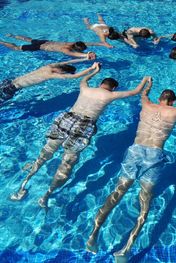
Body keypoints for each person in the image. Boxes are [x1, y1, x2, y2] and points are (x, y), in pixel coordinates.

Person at [85, 78, 176, 260]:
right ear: (172, 101)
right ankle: (125, 250)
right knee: (145, 202)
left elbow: (143, 94)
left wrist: (149, 84)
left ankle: (93, 235)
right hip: (154, 156)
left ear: (159, 98)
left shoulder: (146, 104)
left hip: (135, 151)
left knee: (117, 193)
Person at [10, 63, 151, 208]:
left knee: (47, 150)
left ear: (100, 84)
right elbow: (136, 91)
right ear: (113, 87)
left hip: (67, 118)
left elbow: (84, 79)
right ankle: (46, 195)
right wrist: (146, 80)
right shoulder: (111, 94)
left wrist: (95, 69)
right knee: (68, 161)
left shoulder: (86, 88)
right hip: (85, 125)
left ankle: (24, 183)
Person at [0, 58, 96, 104]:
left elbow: (67, 62)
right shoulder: (51, 74)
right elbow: (76, 76)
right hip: (11, 88)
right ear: (63, 72)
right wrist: (91, 68)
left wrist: (85, 58)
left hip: (8, 82)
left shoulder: (49, 66)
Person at [0, 34, 97, 58]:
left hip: (45, 42)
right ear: (76, 49)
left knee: (29, 39)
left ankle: (12, 35)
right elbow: (75, 55)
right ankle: (2, 42)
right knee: (17, 48)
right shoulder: (65, 49)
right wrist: (86, 55)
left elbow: (85, 43)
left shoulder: (72, 43)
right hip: (39, 47)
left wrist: (99, 44)